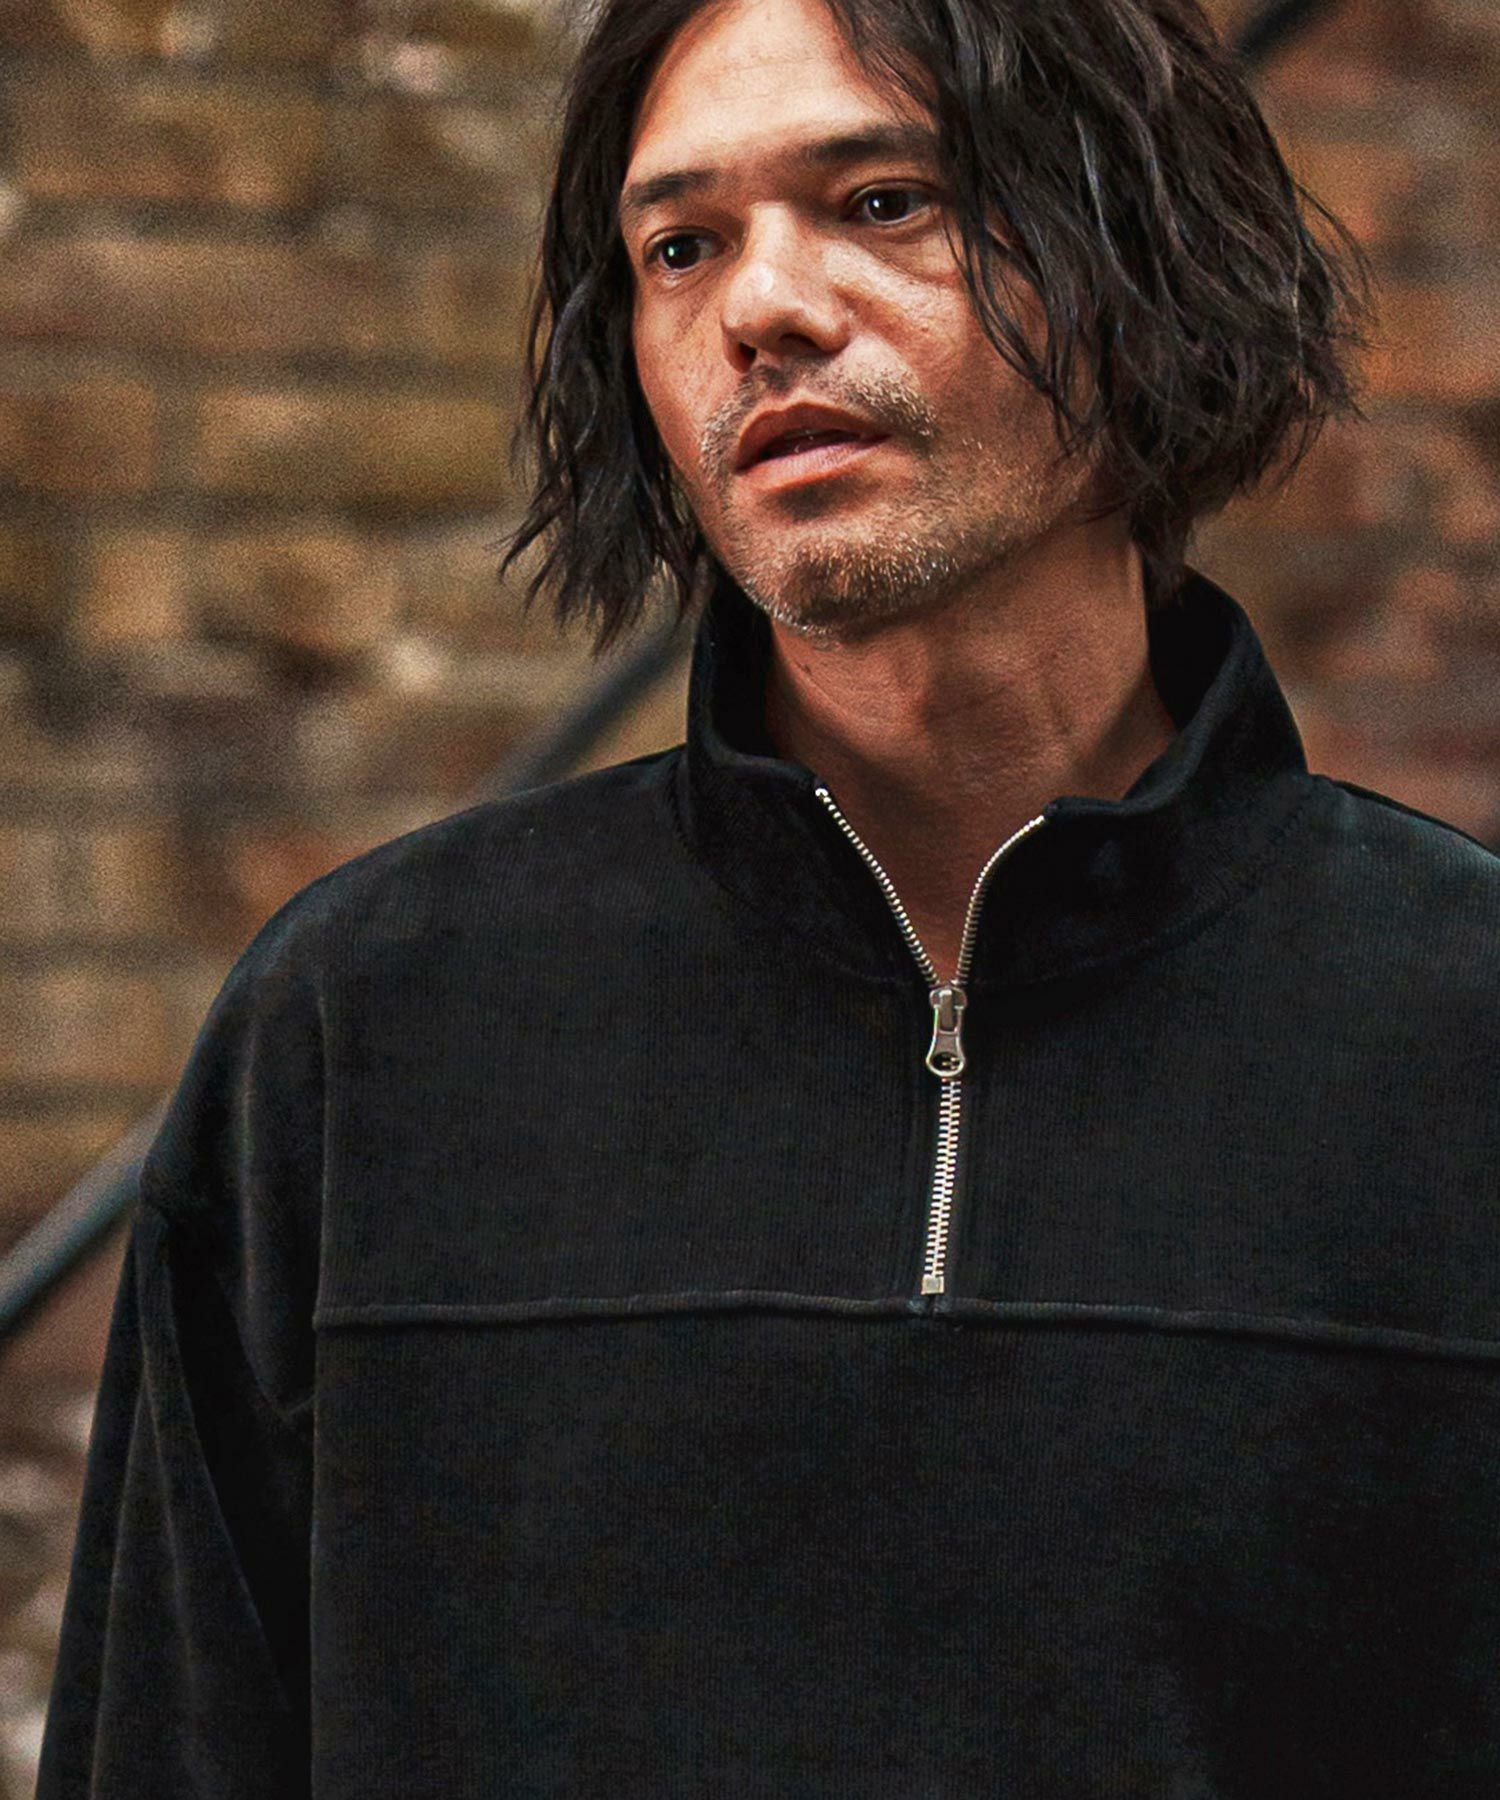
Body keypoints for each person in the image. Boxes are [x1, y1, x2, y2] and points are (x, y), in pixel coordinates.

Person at [38, 0, 1500, 1792]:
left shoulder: (1455, 1033)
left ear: (1142, 258)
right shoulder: (367, 1030)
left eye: (883, 202)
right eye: (681, 246)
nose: (764, 308)